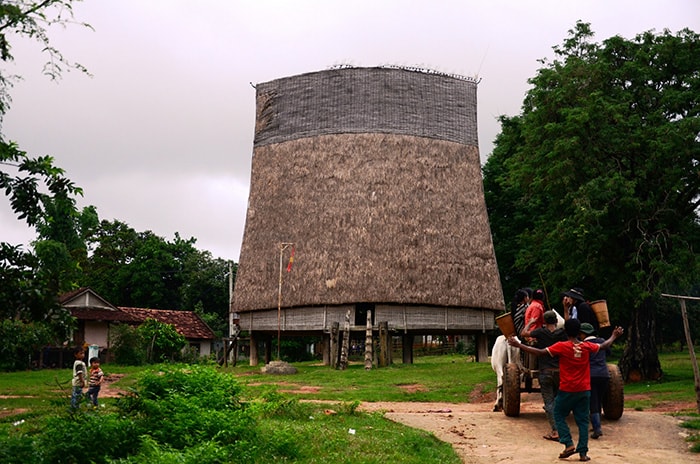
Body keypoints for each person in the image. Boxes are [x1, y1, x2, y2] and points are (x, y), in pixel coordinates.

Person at [508, 319, 624, 462]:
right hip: (584, 389)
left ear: (565, 332)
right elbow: (604, 345)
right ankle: (583, 453)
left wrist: (518, 344)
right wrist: (614, 336)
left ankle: (568, 443)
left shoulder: (562, 346)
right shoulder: (587, 346)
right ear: (579, 332)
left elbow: (539, 352)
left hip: (567, 389)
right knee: (582, 421)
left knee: (557, 414)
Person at [520, 310, 567, 441]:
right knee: (558, 400)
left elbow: (523, 334)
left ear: (544, 322)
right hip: (559, 372)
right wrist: (566, 309)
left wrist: (530, 322)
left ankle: (556, 430)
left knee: (549, 402)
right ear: (557, 322)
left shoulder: (540, 332)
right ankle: (561, 427)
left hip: (545, 371)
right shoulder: (562, 333)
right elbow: (568, 326)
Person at [580, 323, 610, 439]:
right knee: (598, 400)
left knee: (593, 402)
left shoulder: (584, 345)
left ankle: (597, 429)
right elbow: (608, 352)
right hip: (604, 374)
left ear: (583, 334)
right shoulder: (602, 341)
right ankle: (596, 424)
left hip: (591, 375)